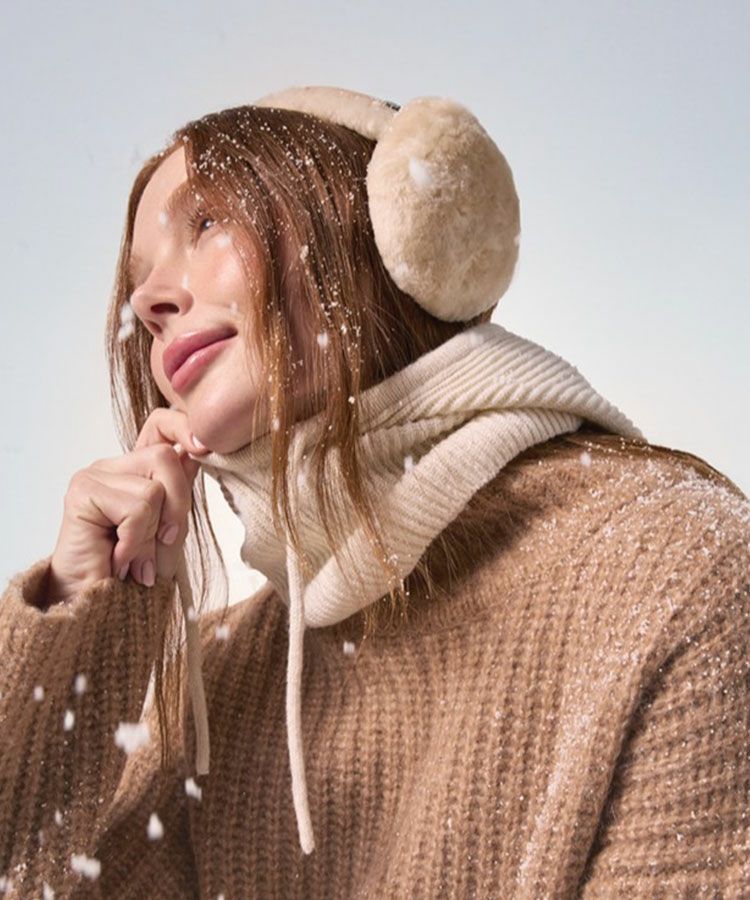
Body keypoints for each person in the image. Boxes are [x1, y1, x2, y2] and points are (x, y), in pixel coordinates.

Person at [1, 84, 748, 899]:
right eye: (139, 281)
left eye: (208, 222)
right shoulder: (220, 686)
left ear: (384, 232)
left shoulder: (675, 572)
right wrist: (81, 617)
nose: (148, 303)